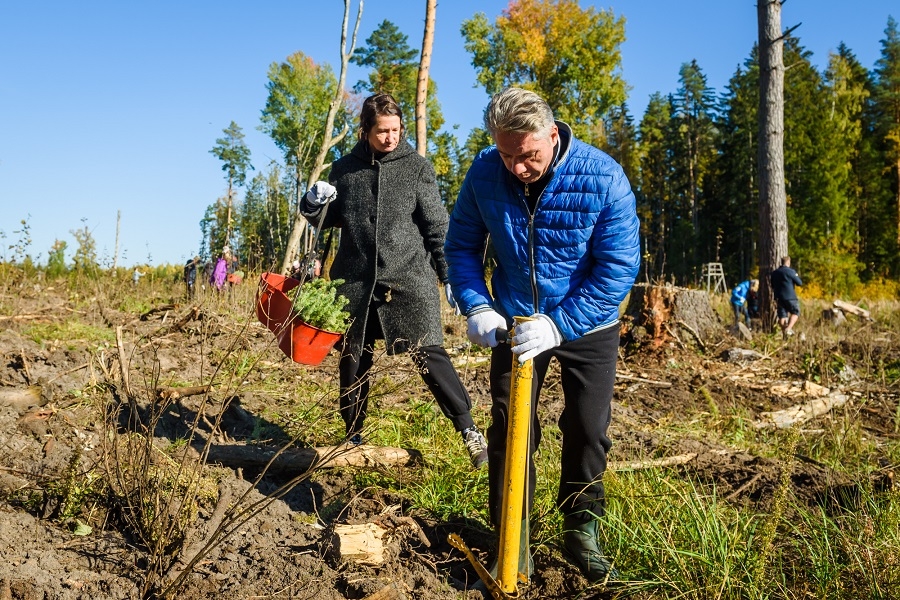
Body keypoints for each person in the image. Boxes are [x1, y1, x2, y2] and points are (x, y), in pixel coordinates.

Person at [444, 87, 640, 584]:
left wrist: (558, 324)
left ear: (552, 136)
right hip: (513, 320)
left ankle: (581, 528)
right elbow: (462, 246)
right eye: (506, 154)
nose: (515, 168)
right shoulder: (485, 171)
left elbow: (617, 271)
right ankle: (513, 536)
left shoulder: (603, 178)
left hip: (588, 322)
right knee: (512, 429)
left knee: (587, 427)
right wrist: (479, 304)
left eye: (527, 155)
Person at [300, 93, 488, 468]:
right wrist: (312, 201)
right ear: (365, 131)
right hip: (354, 283)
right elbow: (323, 220)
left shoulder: (416, 168)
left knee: (430, 355)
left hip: (408, 278)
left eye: (396, 130)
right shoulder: (345, 169)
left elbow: (437, 226)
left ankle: (469, 431)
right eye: (382, 131)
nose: (390, 137)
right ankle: (352, 435)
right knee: (354, 358)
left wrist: (447, 274)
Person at [770, 256, 803, 337]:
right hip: (790, 297)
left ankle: (785, 333)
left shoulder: (775, 273)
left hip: (779, 297)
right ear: (788, 262)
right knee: (795, 312)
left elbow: (772, 285)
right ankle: (789, 328)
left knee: (782, 315)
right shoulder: (791, 272)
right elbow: (799, 283)